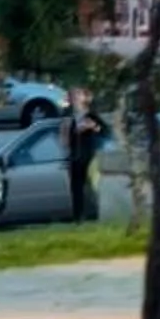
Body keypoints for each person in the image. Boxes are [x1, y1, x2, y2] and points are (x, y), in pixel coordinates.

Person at [63, 88, 104, 223]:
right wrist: (71, 131)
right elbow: (65, 137)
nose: (75, 99)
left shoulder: (91, 115)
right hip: (75, 156)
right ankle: (78, 218)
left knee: (91, 187)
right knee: (76, 188)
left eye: (78, 95)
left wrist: (92, 127)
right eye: (73, 96)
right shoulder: (68, 116)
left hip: (89, 156)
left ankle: (95, 214)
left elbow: (103, 130)